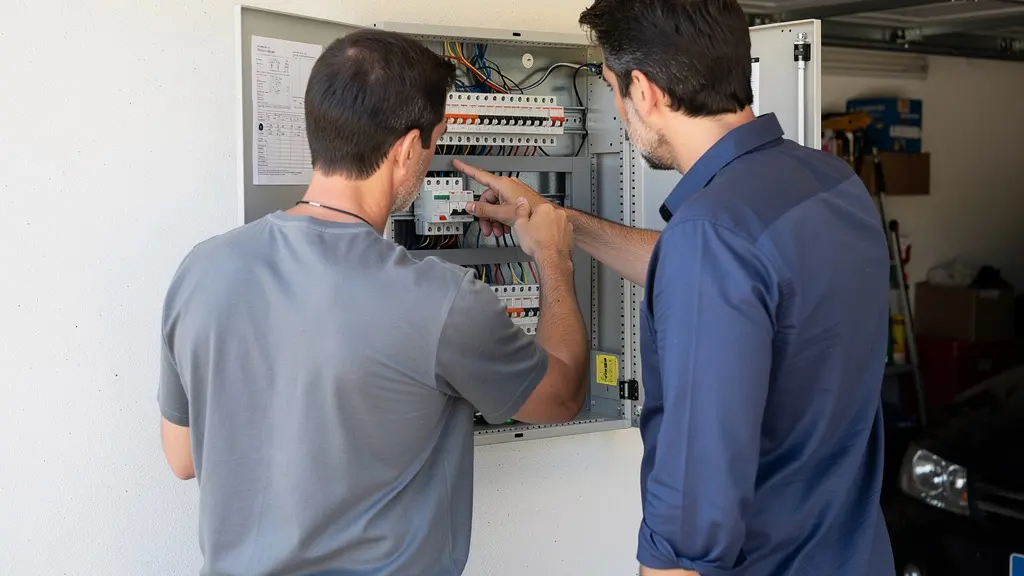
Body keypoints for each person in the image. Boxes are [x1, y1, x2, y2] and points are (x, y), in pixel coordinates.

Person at [459, 0, 895, 574]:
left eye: (613, 89)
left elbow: (691, 513)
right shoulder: (828, 182)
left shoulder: (711, 238)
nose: (617, 109)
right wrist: (561, 223)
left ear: (644, 92)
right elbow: (720, 271)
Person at [157, 30, 588, 576]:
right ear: (409, 148)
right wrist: (553, 258)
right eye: (435, 142)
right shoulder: (443, 302)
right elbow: (564, 394)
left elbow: (183, 457)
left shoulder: (201, 270)